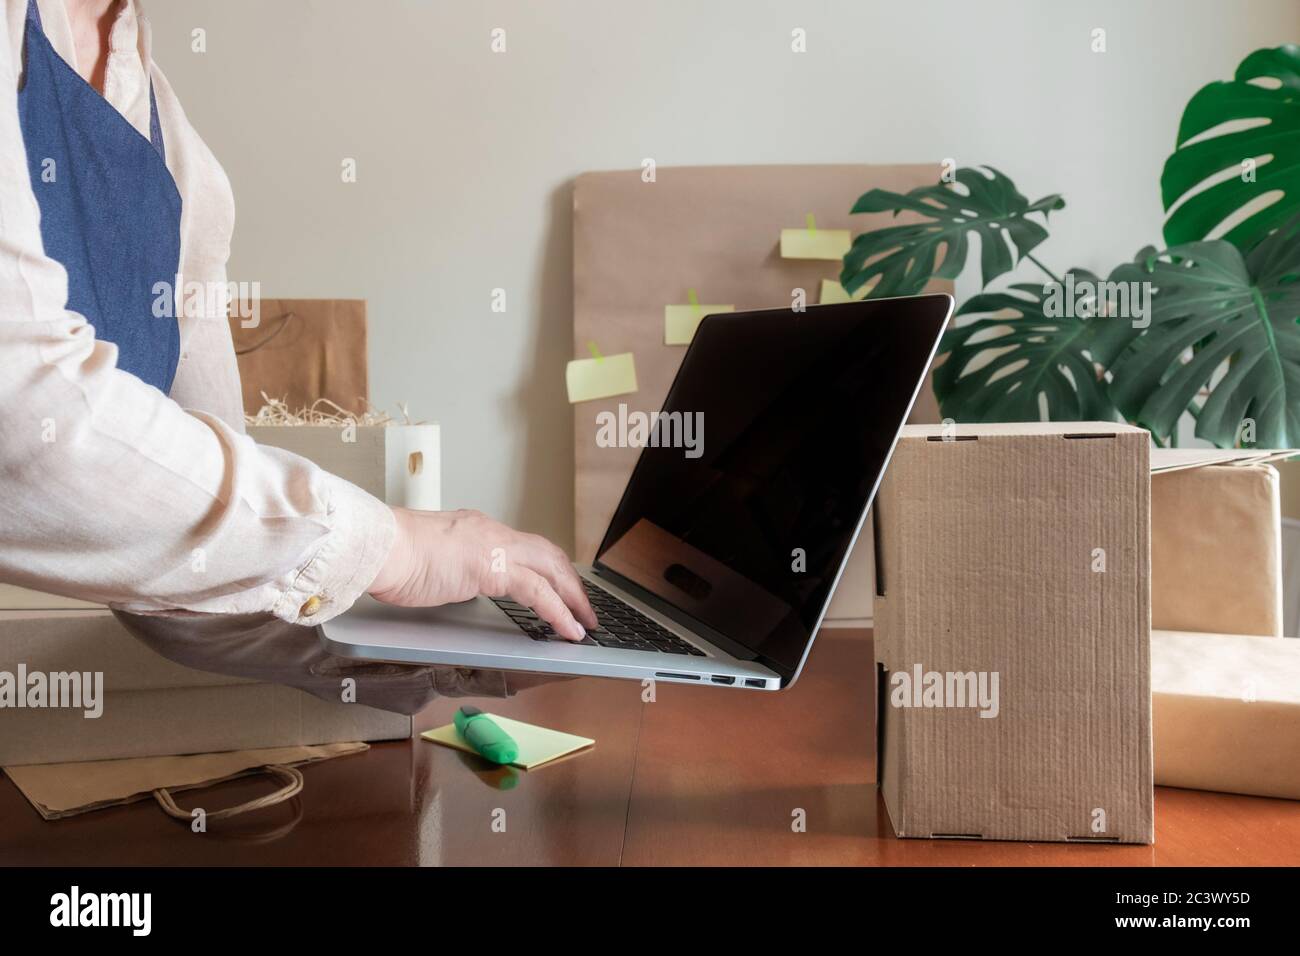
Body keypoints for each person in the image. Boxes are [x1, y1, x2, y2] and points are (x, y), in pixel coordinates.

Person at [0, 0, 596, 714]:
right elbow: (29, 416)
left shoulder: (180, 157)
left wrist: (468, 653)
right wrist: (393, 547)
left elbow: (197, 581)